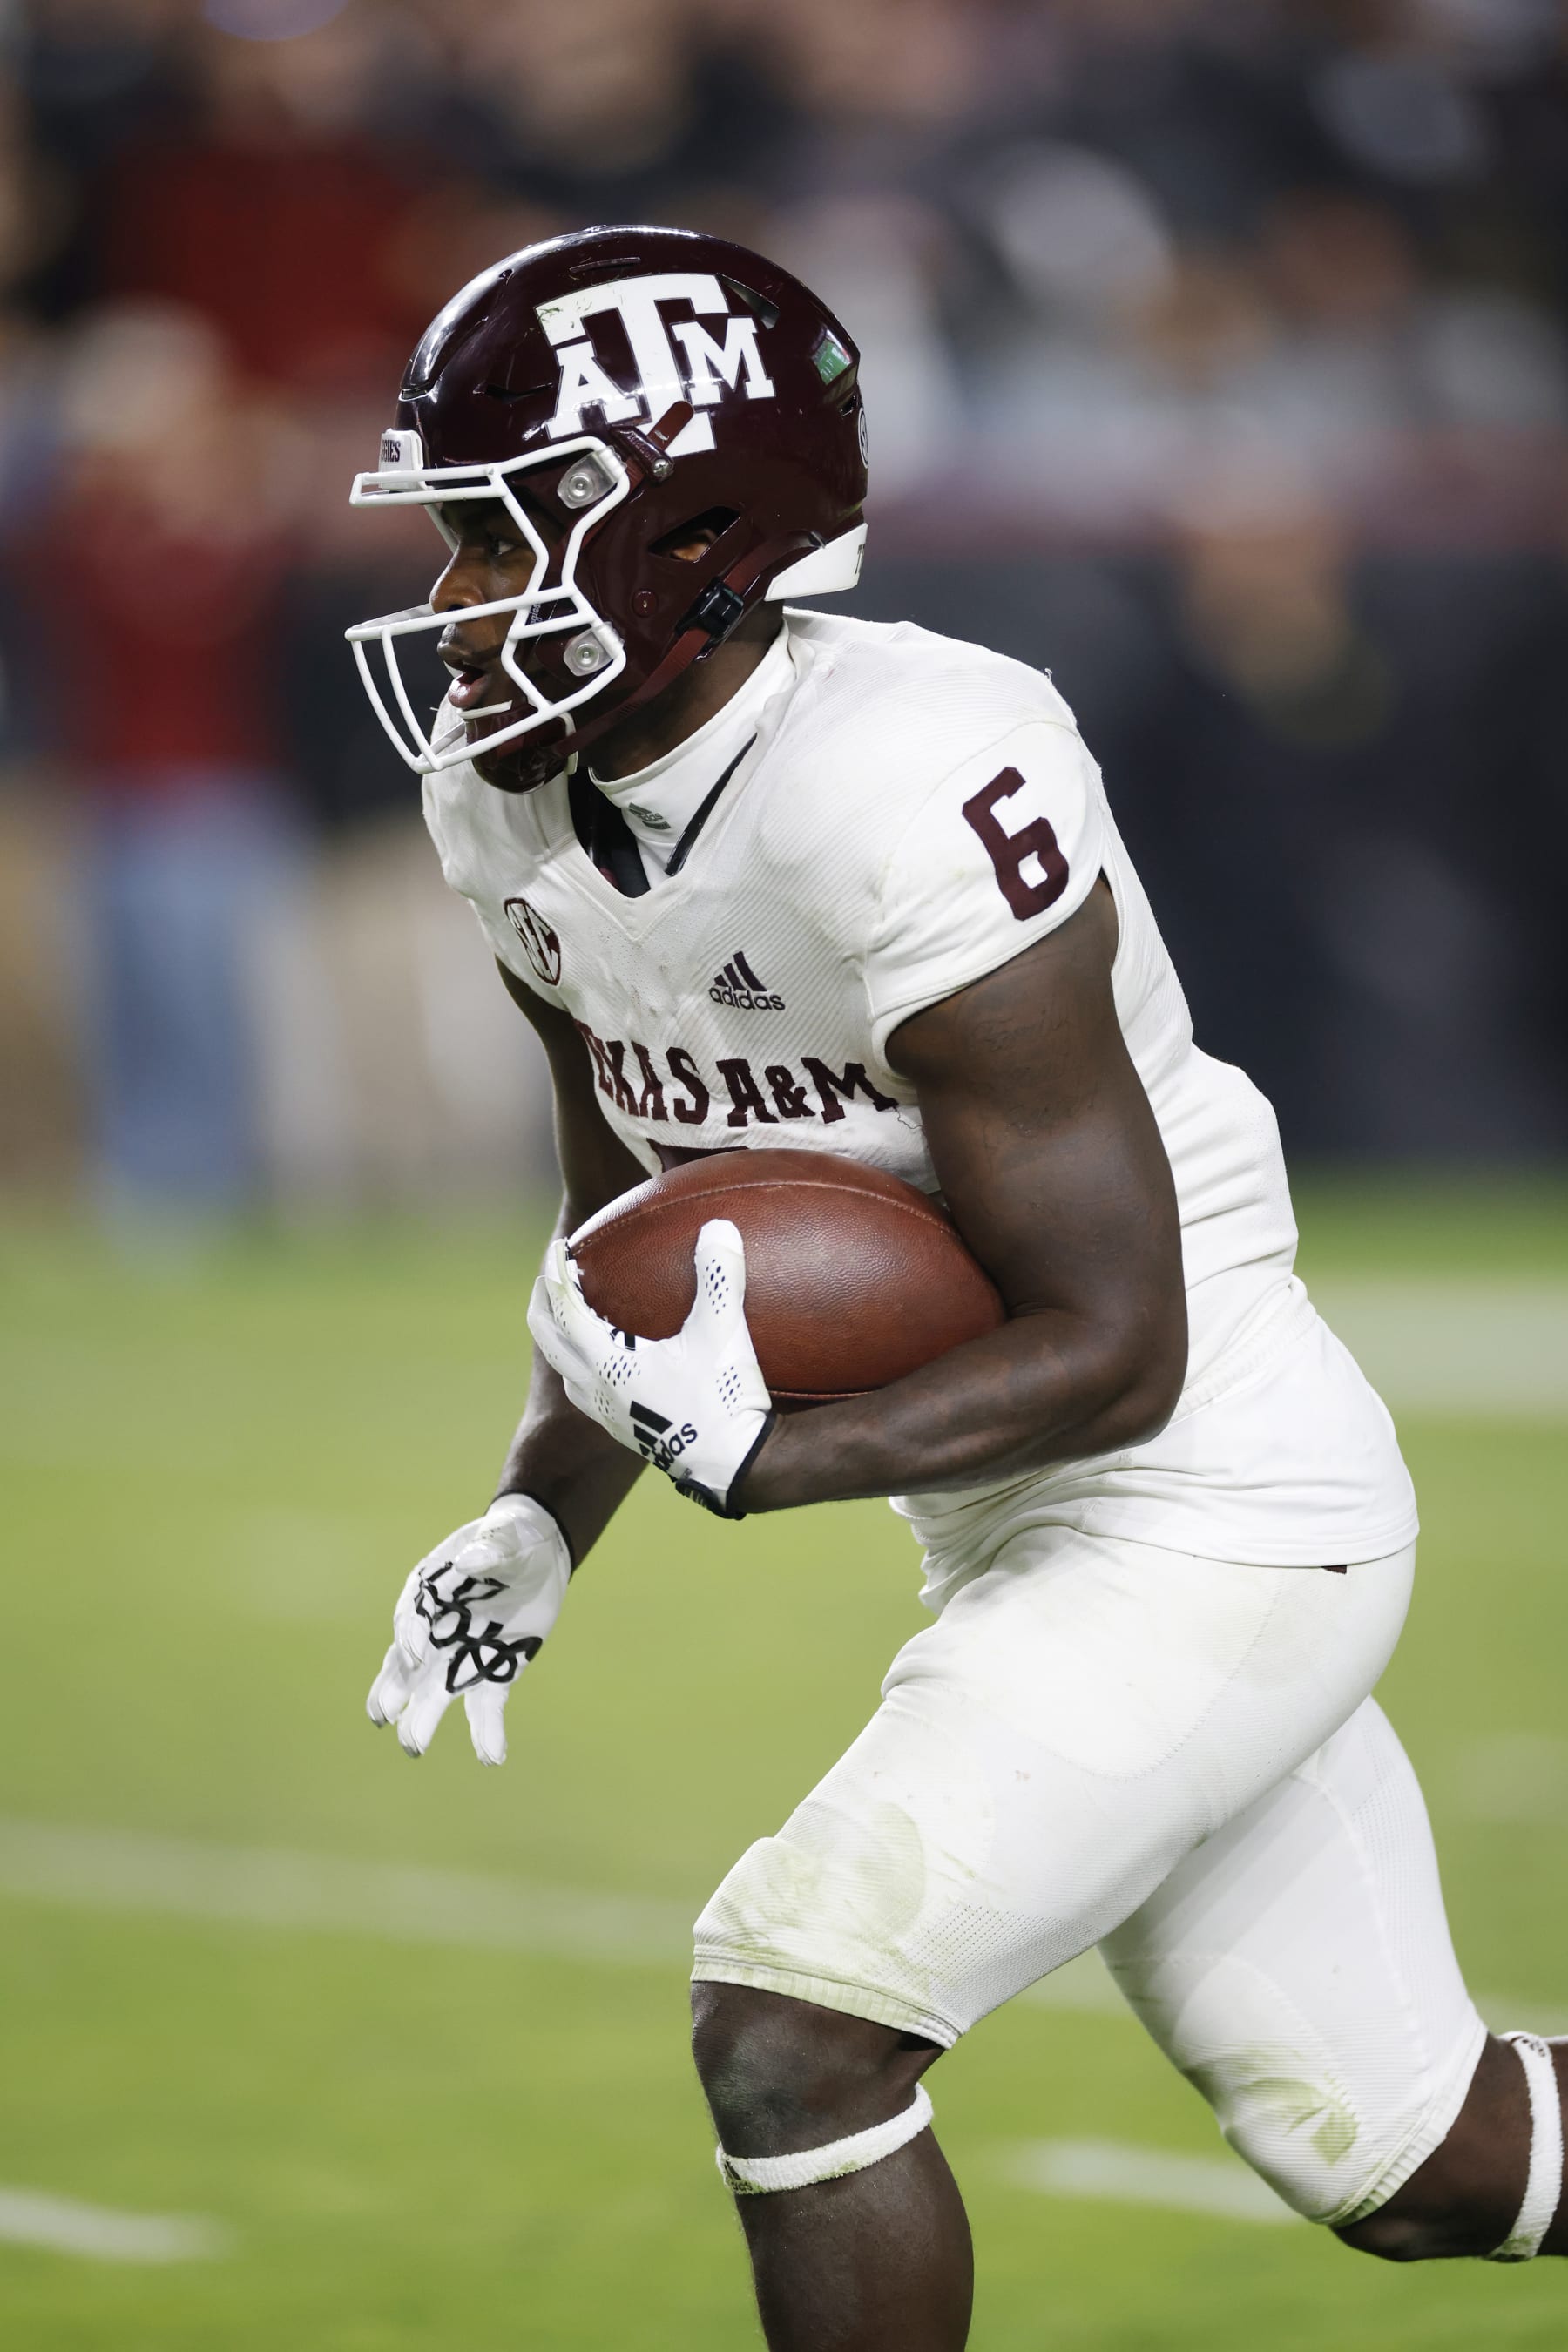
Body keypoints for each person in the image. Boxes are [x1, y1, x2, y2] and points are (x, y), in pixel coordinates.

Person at [353, 226, 1563, 2349]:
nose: (454, 603)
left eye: (500, 538)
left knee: (792, 2026)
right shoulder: (510, 800)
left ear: (696, 537)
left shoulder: (905, 775)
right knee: (1416, 2160)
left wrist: (774, 1457)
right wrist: (542, 1512)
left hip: (1211, 1504)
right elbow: (622, 1222)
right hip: (1008, 1522)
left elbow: (1119, 1344)